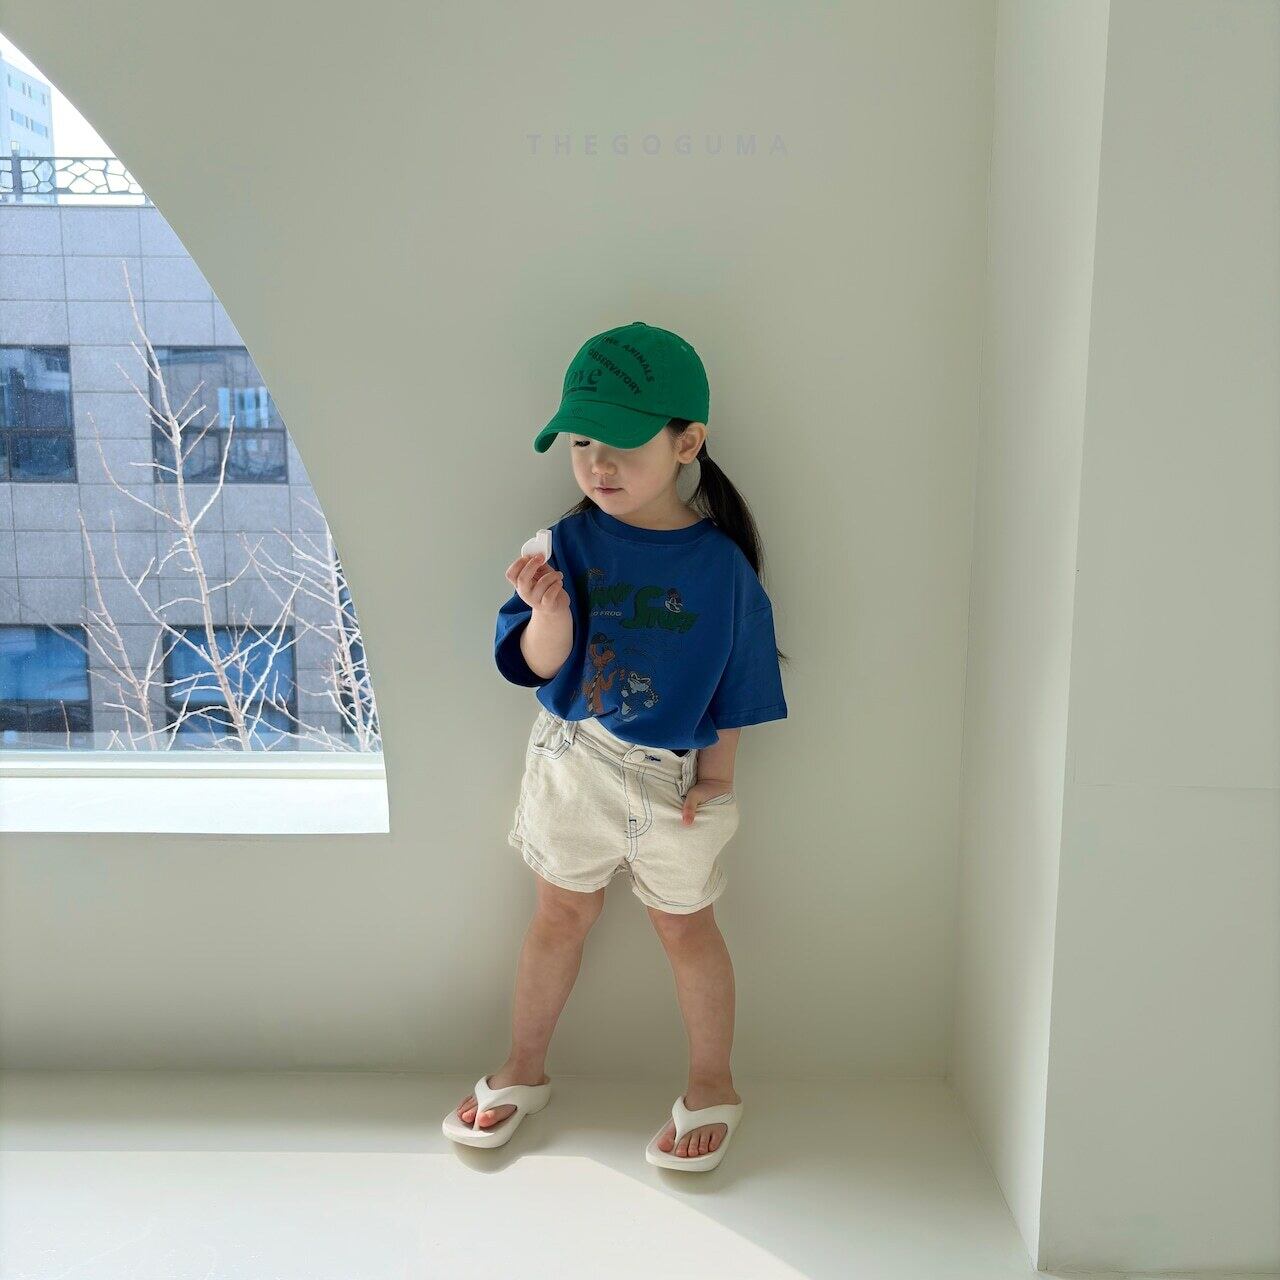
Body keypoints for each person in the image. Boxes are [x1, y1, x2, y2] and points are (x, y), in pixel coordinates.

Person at [442, 322, 789, 1172]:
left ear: (686, 443)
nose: (597, 464)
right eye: (581, 442)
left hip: (674, 782)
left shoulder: (723, 568)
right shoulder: (562, 545)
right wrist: (550, 613)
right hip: (574, 762)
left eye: (622, 444)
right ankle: (524, 1068)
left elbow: (738, 682)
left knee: (689, 930)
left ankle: (713, 1084)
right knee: (558, 918)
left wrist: (718, 779)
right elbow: (532, 666)